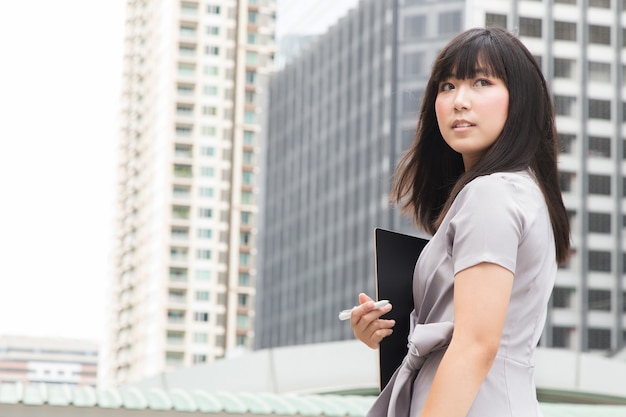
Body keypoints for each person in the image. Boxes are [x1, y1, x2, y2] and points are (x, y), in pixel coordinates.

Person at [349, 27, 571, 417]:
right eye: (447, 85)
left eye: (481, 82)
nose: (459, 101)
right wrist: (387, 332)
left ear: (519, 100)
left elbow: (475, 346)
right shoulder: (518, 192)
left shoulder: (492, 193)